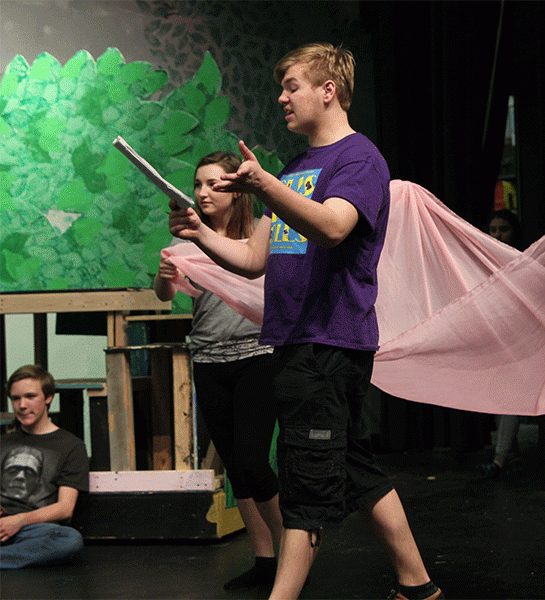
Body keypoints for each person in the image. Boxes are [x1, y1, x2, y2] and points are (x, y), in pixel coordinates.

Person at [167, 43, 441, 600]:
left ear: (328, 90)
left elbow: (335, 227)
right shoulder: (295, 169)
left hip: (329, 343)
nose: (282, 96)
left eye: (291, 85)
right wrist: (200, 235)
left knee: (307, 483)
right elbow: (254, 260)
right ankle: (419, 587)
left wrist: (267, 186)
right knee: (353, 468)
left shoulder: (358, 159)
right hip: (294, 342)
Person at [154, 151, 282, 591]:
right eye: (197, 184)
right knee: (236, 468)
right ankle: (265, 559)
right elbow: (163, 295)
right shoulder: (190, 242)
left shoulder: (260, 233)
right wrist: (164, 274)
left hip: (256, 357)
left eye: (213, 184)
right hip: (208, 360)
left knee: (253, 460)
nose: (202, 192)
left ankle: (295, 549)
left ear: (235, 189)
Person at [1, 365, 89, 569]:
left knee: (69, 539)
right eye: (15, 398)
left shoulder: (71, 446)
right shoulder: (3, 443)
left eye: (30, 396)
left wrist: (20, 521)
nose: (22, 405)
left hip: (33, 529)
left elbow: (65, 509)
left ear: (48, 397)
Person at [479, 209, 525, 477]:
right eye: (493, 230)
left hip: (515, 336)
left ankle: (498, 461)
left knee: (508, 398)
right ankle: (512, 454)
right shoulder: (483, 259)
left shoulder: (520, 261)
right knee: (498, 397)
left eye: (503, 229)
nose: (498, 235)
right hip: (493, 334)